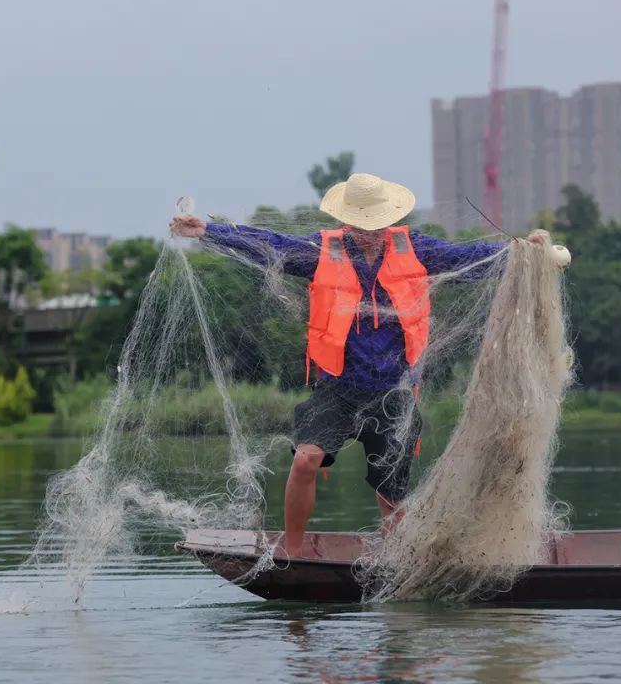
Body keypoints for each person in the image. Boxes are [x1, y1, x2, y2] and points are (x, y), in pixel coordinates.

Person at [171, 173, 547, 558]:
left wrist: (523, 253)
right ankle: (293, 556)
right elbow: (271, 245)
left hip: (393, 391)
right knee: (305, 460)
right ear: (346, 221)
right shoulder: (322, 250)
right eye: (361, 226)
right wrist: (207, 231)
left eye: (377, 225)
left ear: (389, 220)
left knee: (391, 497)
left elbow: (467, 259)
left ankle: (397, 563)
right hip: (337, 388)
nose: (369, 233)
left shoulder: (414, 248)